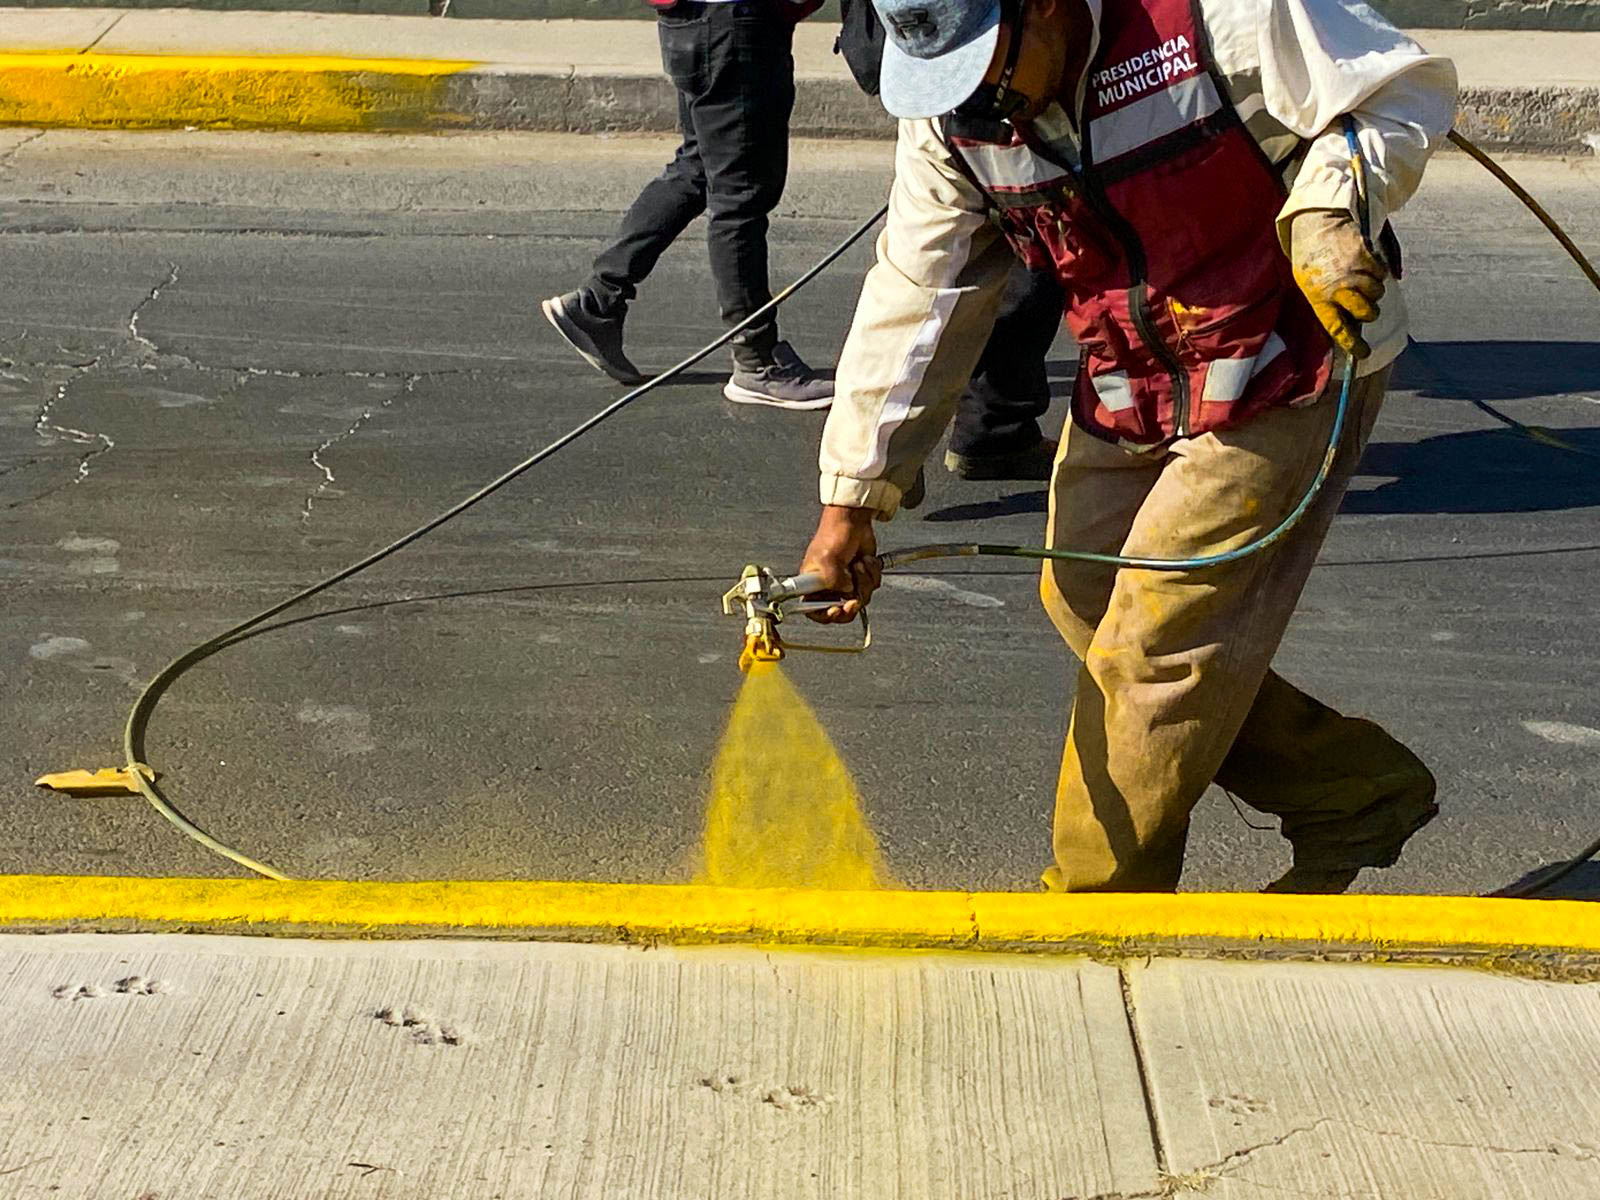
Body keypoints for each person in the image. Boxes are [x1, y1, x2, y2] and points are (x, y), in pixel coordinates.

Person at [798, 0, 1459, 892]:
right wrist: (853, 500)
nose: (986, 106)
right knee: (1081, 594)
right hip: (1131, 378)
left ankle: (1097, 904)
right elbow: (920, 295)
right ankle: (1347, 789)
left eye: (988, 71)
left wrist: (1331, 204)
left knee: (1153, 651)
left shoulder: (1212, 16)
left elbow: (1398, 88)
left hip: (1283, 359)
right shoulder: (954, 122)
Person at [541, 0, 834, 411]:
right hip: (736, 23)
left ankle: (600, 300)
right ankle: (757, 361)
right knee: (741, 193)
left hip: (698, 22)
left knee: (698, 166)